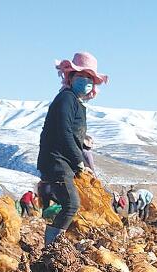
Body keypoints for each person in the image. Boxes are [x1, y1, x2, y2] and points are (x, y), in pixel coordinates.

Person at [37, 52, 108, 246]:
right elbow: (64, 132)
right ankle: (51, 247)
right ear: (70, 77)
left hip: (63, 160)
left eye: (89, 78)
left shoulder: (74, 102)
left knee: (71, 204)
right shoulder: (66, 99)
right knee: (71, 204)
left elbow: (70, 132)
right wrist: (78, 160)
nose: (85, 81)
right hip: (57, 160)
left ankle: (55, 244)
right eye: (81, 76)